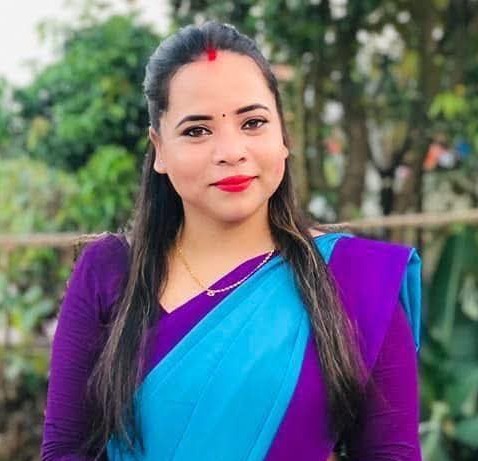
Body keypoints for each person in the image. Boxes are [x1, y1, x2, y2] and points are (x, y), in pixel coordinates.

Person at [40, 21, 422, 461]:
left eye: (253, 123)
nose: (231, 151)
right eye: (197, 130)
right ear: (159, 149)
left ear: (282, 137)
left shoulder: (357, 280)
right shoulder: (109, 273)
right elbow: (66, 451)